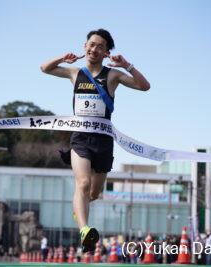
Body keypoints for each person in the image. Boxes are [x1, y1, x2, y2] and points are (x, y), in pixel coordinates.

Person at [40, 29, 150, 252]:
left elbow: (144, 86)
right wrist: (63, 58)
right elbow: (45, 68)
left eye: (100, 46)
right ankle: (84, 230)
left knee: (94, 193)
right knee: (82, 183)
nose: (94, 49)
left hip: (103, 140)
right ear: (84, 46)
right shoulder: (74, 73)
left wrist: (126, 64)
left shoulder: (112, 75)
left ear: (107, 52)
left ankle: (79, 208)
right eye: (91, 44)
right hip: (80, 138)